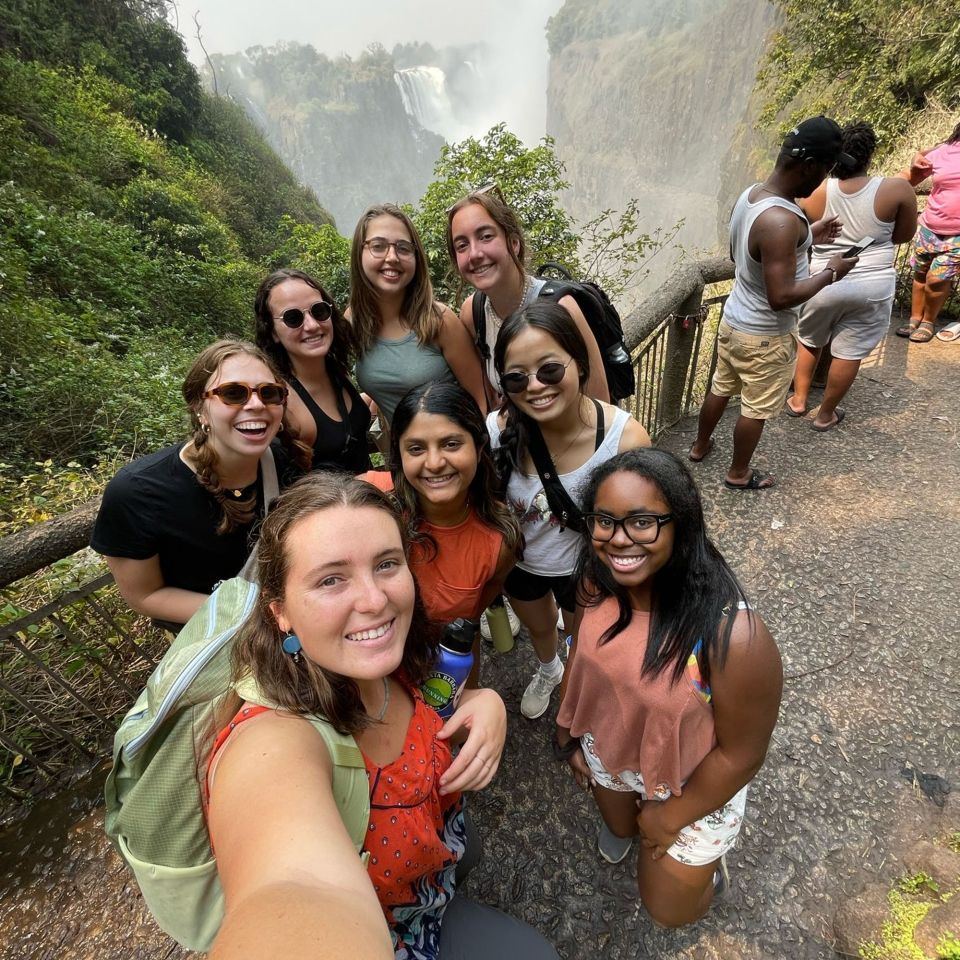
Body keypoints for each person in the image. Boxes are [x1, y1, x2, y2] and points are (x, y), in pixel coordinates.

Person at [205, 474, 558, 960]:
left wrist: (486, 702)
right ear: (280, 611)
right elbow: (291, 888)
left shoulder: (401, 659)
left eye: (387, 564)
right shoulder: (273, 742)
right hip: (396, 934)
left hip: (437, 859)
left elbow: (445, 700)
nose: (374, 600)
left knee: (468, 853)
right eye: (331, 579)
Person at [555, 448, 782, 927]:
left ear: (681, 525)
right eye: (604, 520)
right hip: (610, 753)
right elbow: (580, 659)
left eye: (642, 522)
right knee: (620, 827)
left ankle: (708, 878)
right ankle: (632, 823)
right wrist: (568, 735)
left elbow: (743, 753)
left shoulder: (733, 636)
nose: (618, 540)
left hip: (691, 782)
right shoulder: (595, 585)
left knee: (668, 912)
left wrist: (668, 816)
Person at [486, 300, 650, 720]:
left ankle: (577, 682)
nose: (536, 387)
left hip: (585, 568)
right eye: (517, 377)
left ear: (579, 363)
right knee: (541, 629)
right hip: (522, 564)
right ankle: (550, 669)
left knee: (582, 636)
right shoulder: (495, 431)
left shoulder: (622, 439)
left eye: (550, 370)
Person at [91, 339, 309, 631]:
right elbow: (144, 595)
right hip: (216, 636)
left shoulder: (281, 460)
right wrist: (252, 614)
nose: (256, 404)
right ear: (199, 408)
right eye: (233, 393)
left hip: (289, 623)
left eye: (269, 393)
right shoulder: (138, 491)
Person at [689, 116, 859, 488]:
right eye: (827, 169)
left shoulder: (752, 196)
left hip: (734, 322)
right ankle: (738, 473)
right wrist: (831, 271)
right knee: (755, 408)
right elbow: (780, 297)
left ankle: (700, 447)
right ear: (809, 166)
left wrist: (809, 233)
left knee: (720, 386)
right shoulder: (782, 220)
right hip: (765, 335)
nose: (826, 178)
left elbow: (749, 254)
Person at [360, 382, 522, 685]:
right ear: (400, 454)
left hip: (444, 666)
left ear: (479, 446)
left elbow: (474, 610)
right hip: (366, 670)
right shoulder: (365, 500)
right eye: (416, 448)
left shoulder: (499, 540)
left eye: (450, 444)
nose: (434, 463)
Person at [788, 122, 918, 429]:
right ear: (870, 154)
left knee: (809, 339)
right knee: (850, 351)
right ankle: (825, 415)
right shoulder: (896, 189)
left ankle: (798, 400)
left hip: (822, 280)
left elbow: (802, 235)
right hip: (872, 283)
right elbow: (903, 235)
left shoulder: (814, 192)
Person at [447, 186, 610, 405]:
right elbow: (494, 401)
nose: (474, 254)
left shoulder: (562, 307)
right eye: (462, 245)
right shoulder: (473, 313)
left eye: (486, 236)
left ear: (514, 243)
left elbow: (601, 406)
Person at [349, 203, 487, 428]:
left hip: (454, 453)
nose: (392, 257)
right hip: (404, 458)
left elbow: (481, 402)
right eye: (378, 246)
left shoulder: (438, 320)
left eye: (403, 248)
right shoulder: (354, 322)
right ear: (359, 253)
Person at [255, 268, 372, 472]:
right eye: (293, 318)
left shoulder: (333, 369)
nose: (311, 325)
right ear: (272, 331)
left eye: (319, 311)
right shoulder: (281, 401)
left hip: (369, 497)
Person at [895, 119, 960, 343]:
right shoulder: (945, 151)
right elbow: (910, 173)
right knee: (920, 274)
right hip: (929, 227)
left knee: (936, 279)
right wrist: (915, 158)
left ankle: (929, 320)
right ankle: (914, 317)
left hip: (957, 236)